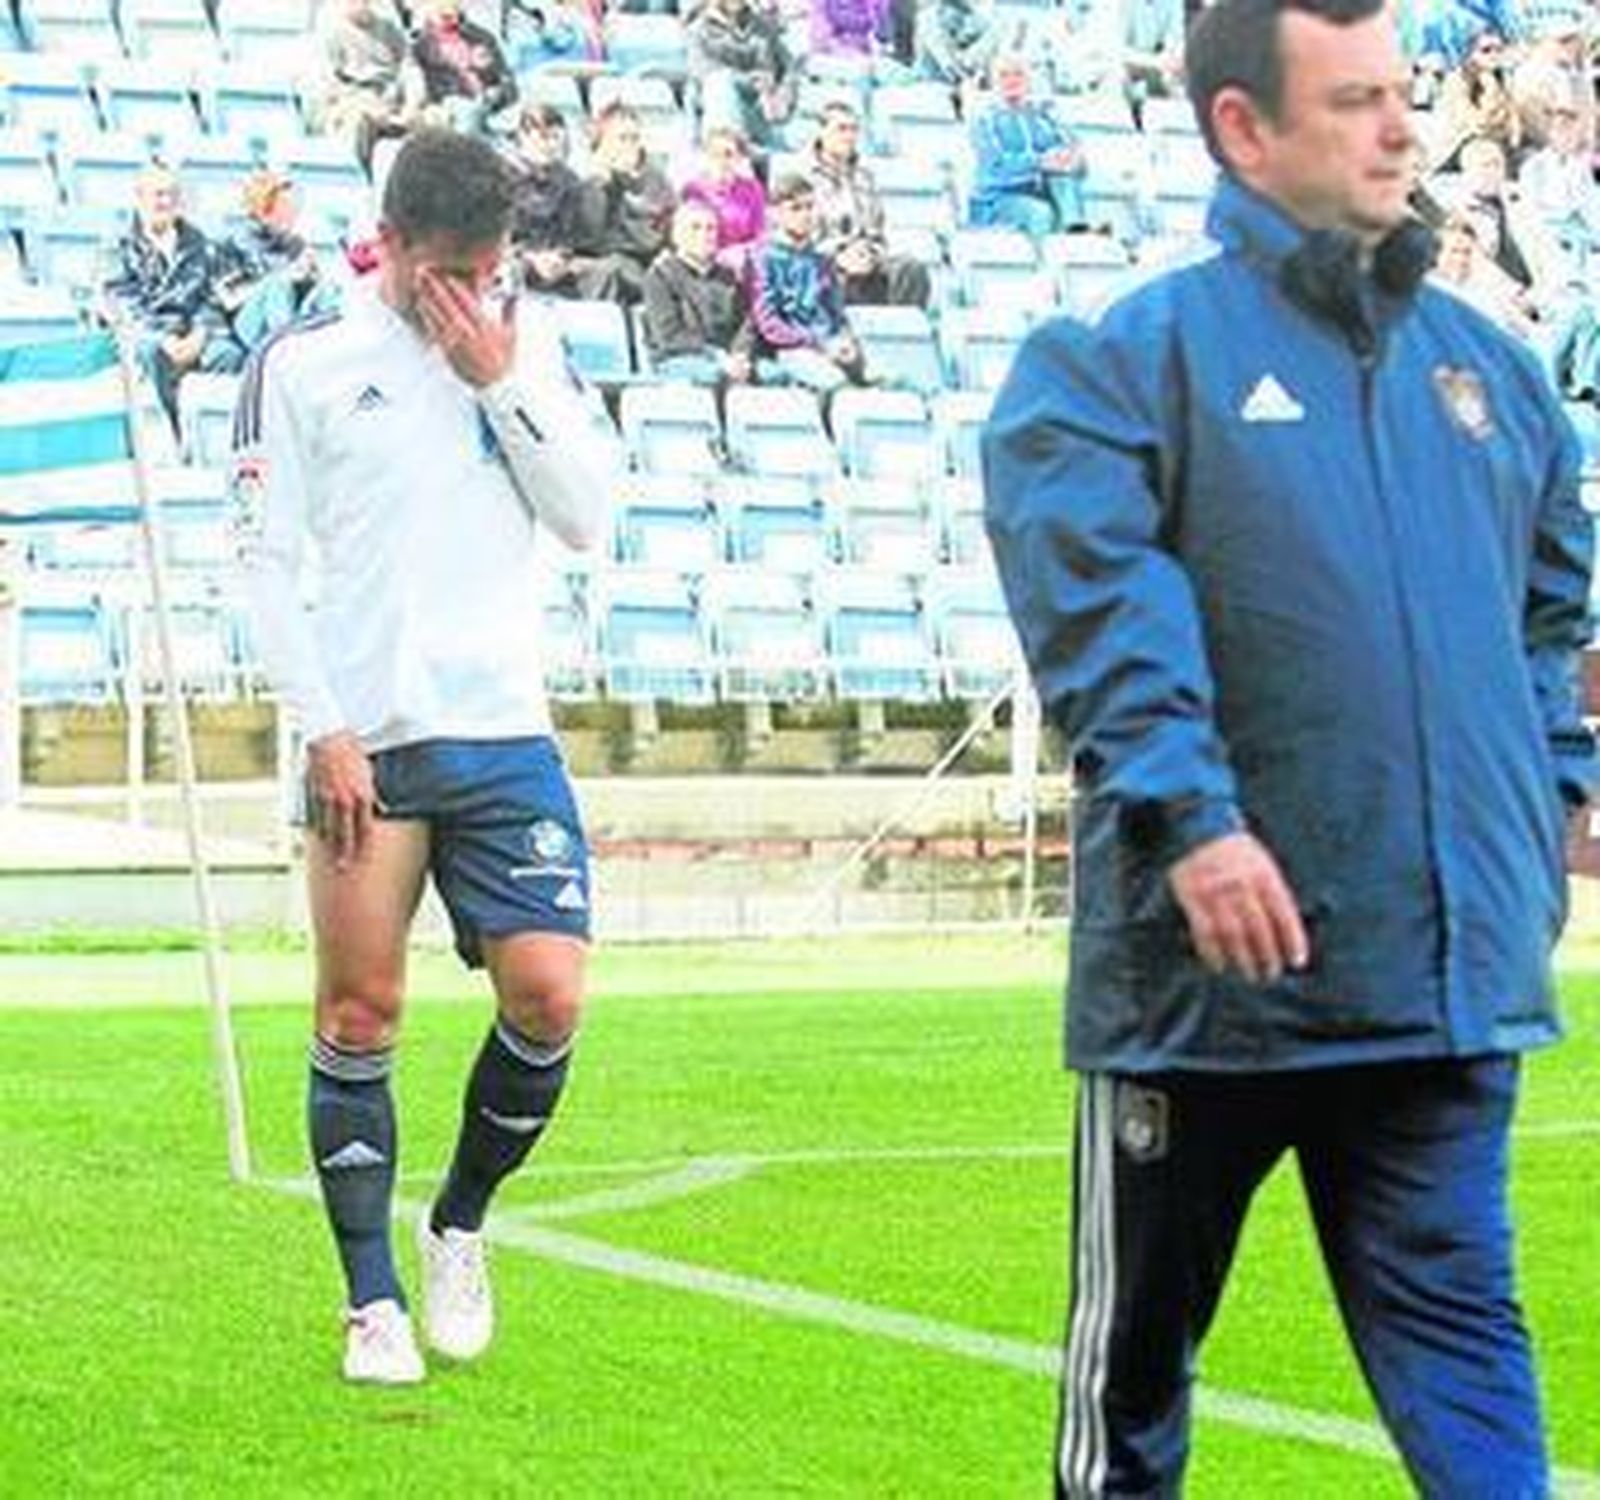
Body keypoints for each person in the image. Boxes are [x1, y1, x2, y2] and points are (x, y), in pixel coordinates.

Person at [982, 1, 1594, 1494]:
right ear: (1242, 130)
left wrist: (1538, 817)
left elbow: (1551, 622)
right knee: (1132, 1381)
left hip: (1435, 985)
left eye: (1402, 95)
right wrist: (1197, 823)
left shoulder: (1494, 381)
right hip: (1208, 1000)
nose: (1401, 128)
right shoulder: (1120, 365)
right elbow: (1101, 616)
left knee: (1471, 1372)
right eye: (1353, 103)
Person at [232, 128, 622, 1386]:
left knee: (550, 995)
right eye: (439, 268)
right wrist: (322, 725)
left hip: (503, 727)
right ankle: (371, 1302)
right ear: (388, 242)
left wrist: (499, 380)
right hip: (369, 738)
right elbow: (264, 565)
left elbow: (585, 521)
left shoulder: (529, 347)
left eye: (484, 265)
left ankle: (459, 1223)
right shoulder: (301, 364)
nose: (460, 290)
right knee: (360, 1011)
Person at [103, 166, 246, 431]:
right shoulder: (119, 246)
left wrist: (201, 333)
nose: (166, 202)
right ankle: (174, 435)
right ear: (140, 198)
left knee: (229, 354)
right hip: (150, 335)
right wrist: (163, 339)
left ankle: (215, 437)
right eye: (158, 194)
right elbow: (121, 302)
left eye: (172, 194)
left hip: (193, 333)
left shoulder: (199, 242)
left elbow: (213, 296)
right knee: (152, 353)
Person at [747, 172, 867, 392]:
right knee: (836, 385)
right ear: (775, 214)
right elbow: (769, 324)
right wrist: (816, 343)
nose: (805, 215)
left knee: (893, 381)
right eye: (795, 208)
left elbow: (836, 313)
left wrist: (844, 339)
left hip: (830, 343)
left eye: (810, 207)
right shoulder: (762, 259)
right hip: (792, 348)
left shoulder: (820, 259)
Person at [807, 98, 932, 307]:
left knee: (910, 269)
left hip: (866, 260)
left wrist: (870, 253)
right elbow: (797, 238)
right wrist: (838, 256)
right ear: (822, 131)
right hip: (824, 261)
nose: (849, 137)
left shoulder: (865, 178)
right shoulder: (801, 174)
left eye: (854, 130)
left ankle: (900, 335)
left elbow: (877, 233)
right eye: (842, 129)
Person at [217, 170, 344, 353]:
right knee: (278, 284)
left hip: (288, 316)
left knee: (328, 290)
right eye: (285, 206)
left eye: (293, 206)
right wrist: (284, 275)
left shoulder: (295, 244)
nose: (292, 212)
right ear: (264, 208)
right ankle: (286, 352)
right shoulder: (234, 243)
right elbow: (229, 298)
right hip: (248, 323)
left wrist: (310, 275)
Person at [967, 53, 1090, 237]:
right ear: (994, 82)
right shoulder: (985, 120)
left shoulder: (1044, 117)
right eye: (1004, 75)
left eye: (1018, 74)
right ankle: (1050, 258)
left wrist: (1072, 159)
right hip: (998, 199)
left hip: (1040, 192)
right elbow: (996, 167)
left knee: (1063, 178)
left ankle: (1075, 231)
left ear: (1029, 80)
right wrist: (1040, 162)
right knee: (1040, 212)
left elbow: (1077, 161)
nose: (1012, 81)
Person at [571, 102, 677, 303]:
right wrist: (602, 186)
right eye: (622, 138)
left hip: (647, 260)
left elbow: (662, 230)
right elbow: (588, 237)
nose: (630, 145)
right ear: (603, 143)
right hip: (605, 261)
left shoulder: (656, 179)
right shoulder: (586, 179)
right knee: (611, 271)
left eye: (634, 138)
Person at [640, 198, 755, 382]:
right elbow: (669, 336)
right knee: (717, 376)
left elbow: (745, 324)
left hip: (728, 359)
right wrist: (717, 356)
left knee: (775, 375)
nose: (705, 234)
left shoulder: (728, 276)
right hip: (677, 358)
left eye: (711, 228)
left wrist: (740, 354)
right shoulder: (660, 276)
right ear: (677, 236)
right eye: (696, 227)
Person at [506, 104, 584, 297]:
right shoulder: (501, 177)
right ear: (522, 137)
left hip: (556, 260)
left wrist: (559, 257)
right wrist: (530, 258)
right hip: (515, 259)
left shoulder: (569, 181)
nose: (549, 145)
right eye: (542, 136)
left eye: (555, 137)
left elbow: (569, 234)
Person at [409, 0, 520, 135]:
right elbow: (423, 95)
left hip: (493, 112)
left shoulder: (481, 37)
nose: (448, 12)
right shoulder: (419, 49)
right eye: (441, 10)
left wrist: (494, 93)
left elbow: (506, 80)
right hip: (454, 116)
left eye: (453, 6)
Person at [680, 125, 768, 273]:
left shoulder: (753, 189)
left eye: (728, 154)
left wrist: (739, 253)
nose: (721, 160)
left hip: (743, 264)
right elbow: (686, 236)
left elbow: (762, 236)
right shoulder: (692, 190)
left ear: (739, 158)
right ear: (705, 156)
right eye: (715, 154)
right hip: (703, 263)